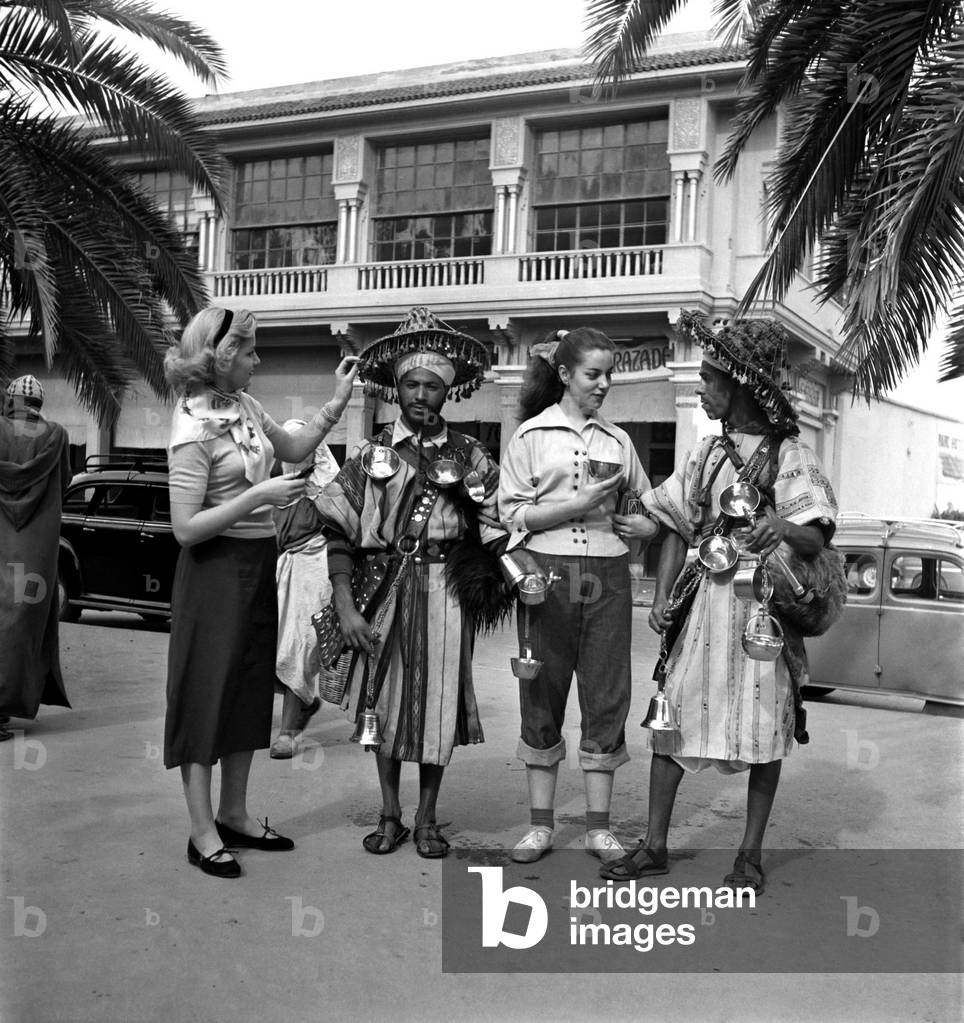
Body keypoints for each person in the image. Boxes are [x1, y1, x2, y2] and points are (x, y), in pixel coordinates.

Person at [600, 311, 838, 894]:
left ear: (740, 386)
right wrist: (659, 596)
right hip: (705, 606)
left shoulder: (792, 456)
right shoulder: (705, 455)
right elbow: (673, 525)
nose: (702, 387)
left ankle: (750, 856)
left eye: (710, 378)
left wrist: (781, 526)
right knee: (672, 718)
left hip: (763, 615)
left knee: (764, 729)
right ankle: (654, 846)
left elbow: (820, 535)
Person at [164, 306, 358, 878]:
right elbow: (184, 528)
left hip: (255, 565)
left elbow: (294, 450)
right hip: (212, 571)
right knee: (206, 695)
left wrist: (336, 402)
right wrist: (258, 496)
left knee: (248, 688)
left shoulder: (244, 407)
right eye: (248, 352)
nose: (257, 360)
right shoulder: (193, 426)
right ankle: (202, 832)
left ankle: (235, 813)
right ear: (220, 359)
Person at [314, 306, 509, 859]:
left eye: (432, 387)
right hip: (386, 589)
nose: (421, 396)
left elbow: (497, 530)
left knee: (437, 705)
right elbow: (339, 535)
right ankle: (389, 813)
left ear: (448, 393)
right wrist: (348, 607)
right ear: (396, 389)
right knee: (387, 703)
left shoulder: (471, 456)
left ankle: (427, 819)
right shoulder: (371, 456)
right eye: (411, 385)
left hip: (449, 593)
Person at [498, 328, 659, 864]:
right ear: (565, 375)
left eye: (610, 373)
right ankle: (540, 826)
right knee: (541, 687)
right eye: (594, 374)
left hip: (609, 573)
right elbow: (511, 515)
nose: (605, 384)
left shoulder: (619, 441)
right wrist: (575, 504)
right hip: (546, 571)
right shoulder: (530, 437)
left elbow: (646, 508)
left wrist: (643, 528)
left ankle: (597, 828)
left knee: (607, 690)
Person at [0, 376, 71, 741]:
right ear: (39, 404)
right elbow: (65, 482)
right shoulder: (56, 436)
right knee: (23, 626)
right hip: (35, 548)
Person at [269, 420, 340, 759]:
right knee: (275, 646)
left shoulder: (329, 485)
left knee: (299, 645)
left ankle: (286, 733)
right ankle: (305, 703)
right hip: (284, 567)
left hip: (316, 569)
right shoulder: (275, 479)